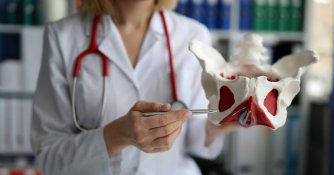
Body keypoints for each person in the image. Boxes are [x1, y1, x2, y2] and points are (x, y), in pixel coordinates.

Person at [31, 0, 238, 174]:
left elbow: (195, 140)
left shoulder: (194, 35)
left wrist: (218, 125)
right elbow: (48, 158)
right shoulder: (63, 37)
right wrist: (117, 135)